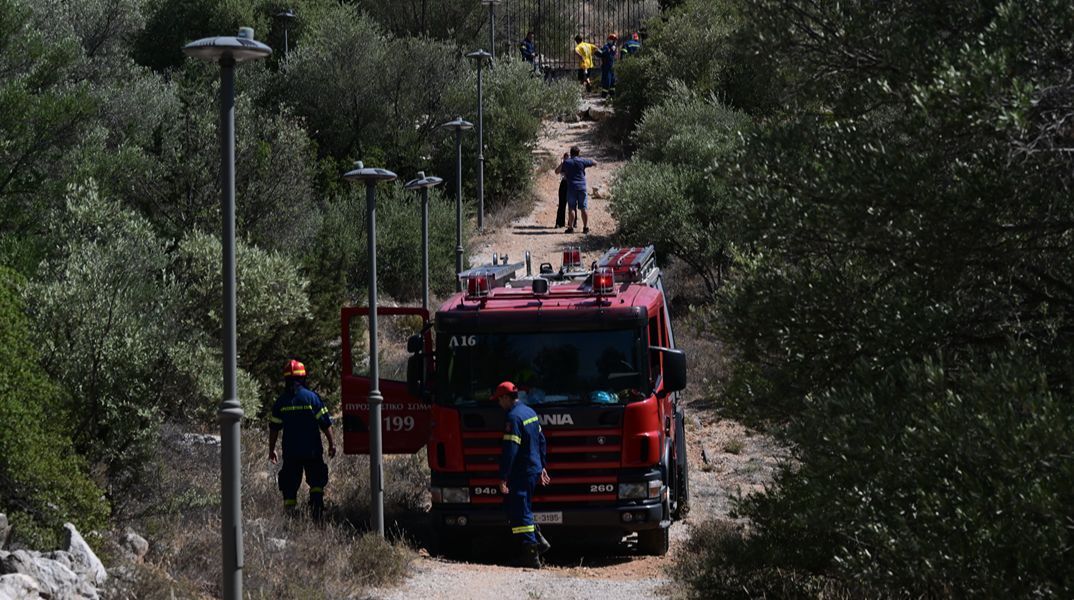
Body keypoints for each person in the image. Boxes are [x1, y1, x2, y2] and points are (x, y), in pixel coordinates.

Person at [269, 359, 336, 519]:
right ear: (303, 377)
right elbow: (325, 423)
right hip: (312, 450)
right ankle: (317, 511)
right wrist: (332, 443)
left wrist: (271, 450)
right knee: (316, 480)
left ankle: (290, 518)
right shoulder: (312, 398)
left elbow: (274, 428)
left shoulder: (281, 402)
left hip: (291, 452)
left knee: (289, 485)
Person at [493, 381, 551, 568]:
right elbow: (541, 441)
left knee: (521, 511)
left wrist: (503, 476)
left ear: (505, 398)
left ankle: (531, 555)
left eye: (499, 400)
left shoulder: (513, 418)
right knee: (520, 508)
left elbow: (510, 450)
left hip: (522, 471)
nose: (498, 404)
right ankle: (538, 541)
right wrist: (542, 466)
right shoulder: (530, 412)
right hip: (533, 470)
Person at [555, 146, 597, 234]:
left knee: (571, 208)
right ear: (578, 153)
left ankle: (570, 228)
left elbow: (557, 171)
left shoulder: (567, 162)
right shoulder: (582, 161)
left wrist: (564, 161)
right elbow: (594, 162)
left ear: (571, 153)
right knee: (583, 208)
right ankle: (585, 228)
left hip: (571, 187)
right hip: (582, 187)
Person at [555, 152, 569, 228]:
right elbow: (556, 172)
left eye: (568, 157)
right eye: (565, 157)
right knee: (561, 204)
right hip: (564, 183)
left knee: (572, 204)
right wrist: (562, 164)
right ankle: (559, 223)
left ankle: (572, 223)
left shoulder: (572, 165)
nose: (566, 159)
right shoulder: (563, 165)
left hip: (570, 184)